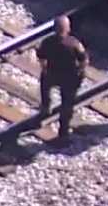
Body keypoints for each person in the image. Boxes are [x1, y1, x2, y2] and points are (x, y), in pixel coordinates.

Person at [35, 15, 88, 143]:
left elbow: (41, 57)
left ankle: (45, 106)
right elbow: (84, 59)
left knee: (44, 82)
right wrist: (81, 71)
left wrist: (44, 68)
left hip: (53, 73)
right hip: (69, 77)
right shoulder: (74, 43)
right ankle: (63, 131)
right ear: (67, 29)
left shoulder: (47, 42)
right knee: (67, 104)